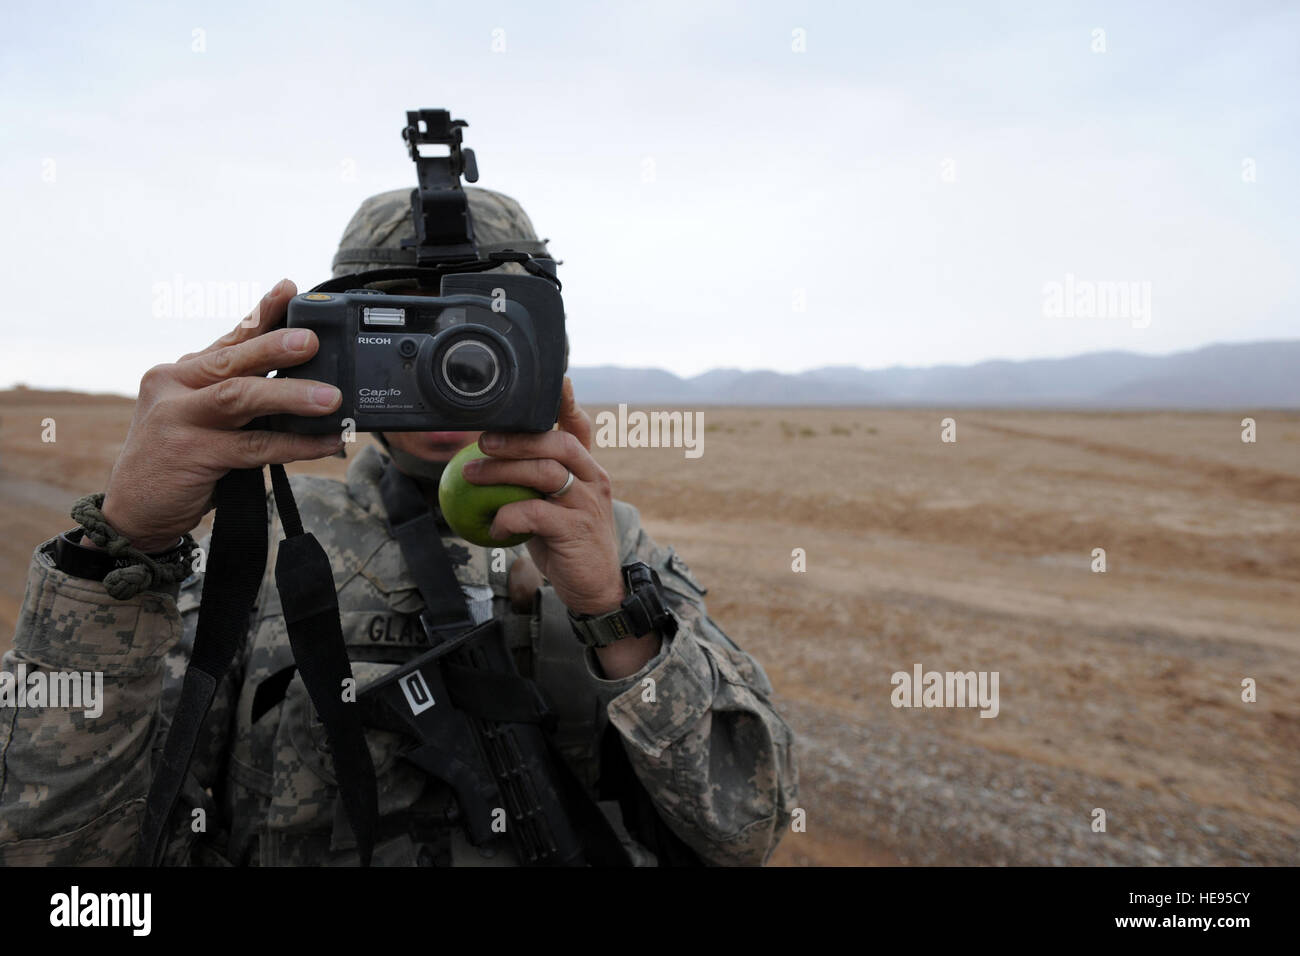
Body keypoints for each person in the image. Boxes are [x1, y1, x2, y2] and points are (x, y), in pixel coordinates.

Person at [0, 186, 798, 866]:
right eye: (404, 339)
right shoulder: (269, 548)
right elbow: (59, 858)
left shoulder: (609, 545)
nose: (449, 371)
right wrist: (117, 554)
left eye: (479, 338)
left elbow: (745, 832)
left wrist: (614, 615)